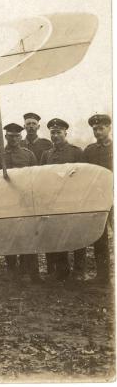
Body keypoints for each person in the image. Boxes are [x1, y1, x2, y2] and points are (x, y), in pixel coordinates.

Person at [0, 123, 40, 280]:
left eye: (17, 136)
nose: (14, 139)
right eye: (10, 136)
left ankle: (31, 272)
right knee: (8, 236)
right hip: (5, 203)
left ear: (21, 136)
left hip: (24, 202)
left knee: (28, 236)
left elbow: (36, 178)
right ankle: (12, 270)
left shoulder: (29, 155)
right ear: (5, 137)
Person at [39, 118, 84, 280]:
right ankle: (61, 269)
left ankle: (79, 271)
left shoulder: (76, 152)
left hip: (72, 200)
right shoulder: (47, 154)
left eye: (58, 132)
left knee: (77, 234)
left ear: (66, 133)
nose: (55, 135)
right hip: (54, 201)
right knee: (57, 234)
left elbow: (82, 176)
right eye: (53, 132)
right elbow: (42, 177)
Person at [81, 114, 113, 283]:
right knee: (100, 238)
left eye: (101, 128)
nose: (98, 132)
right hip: (98, 200)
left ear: (109, 128)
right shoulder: (89, 151)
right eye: (95, 129)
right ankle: (103, 276)